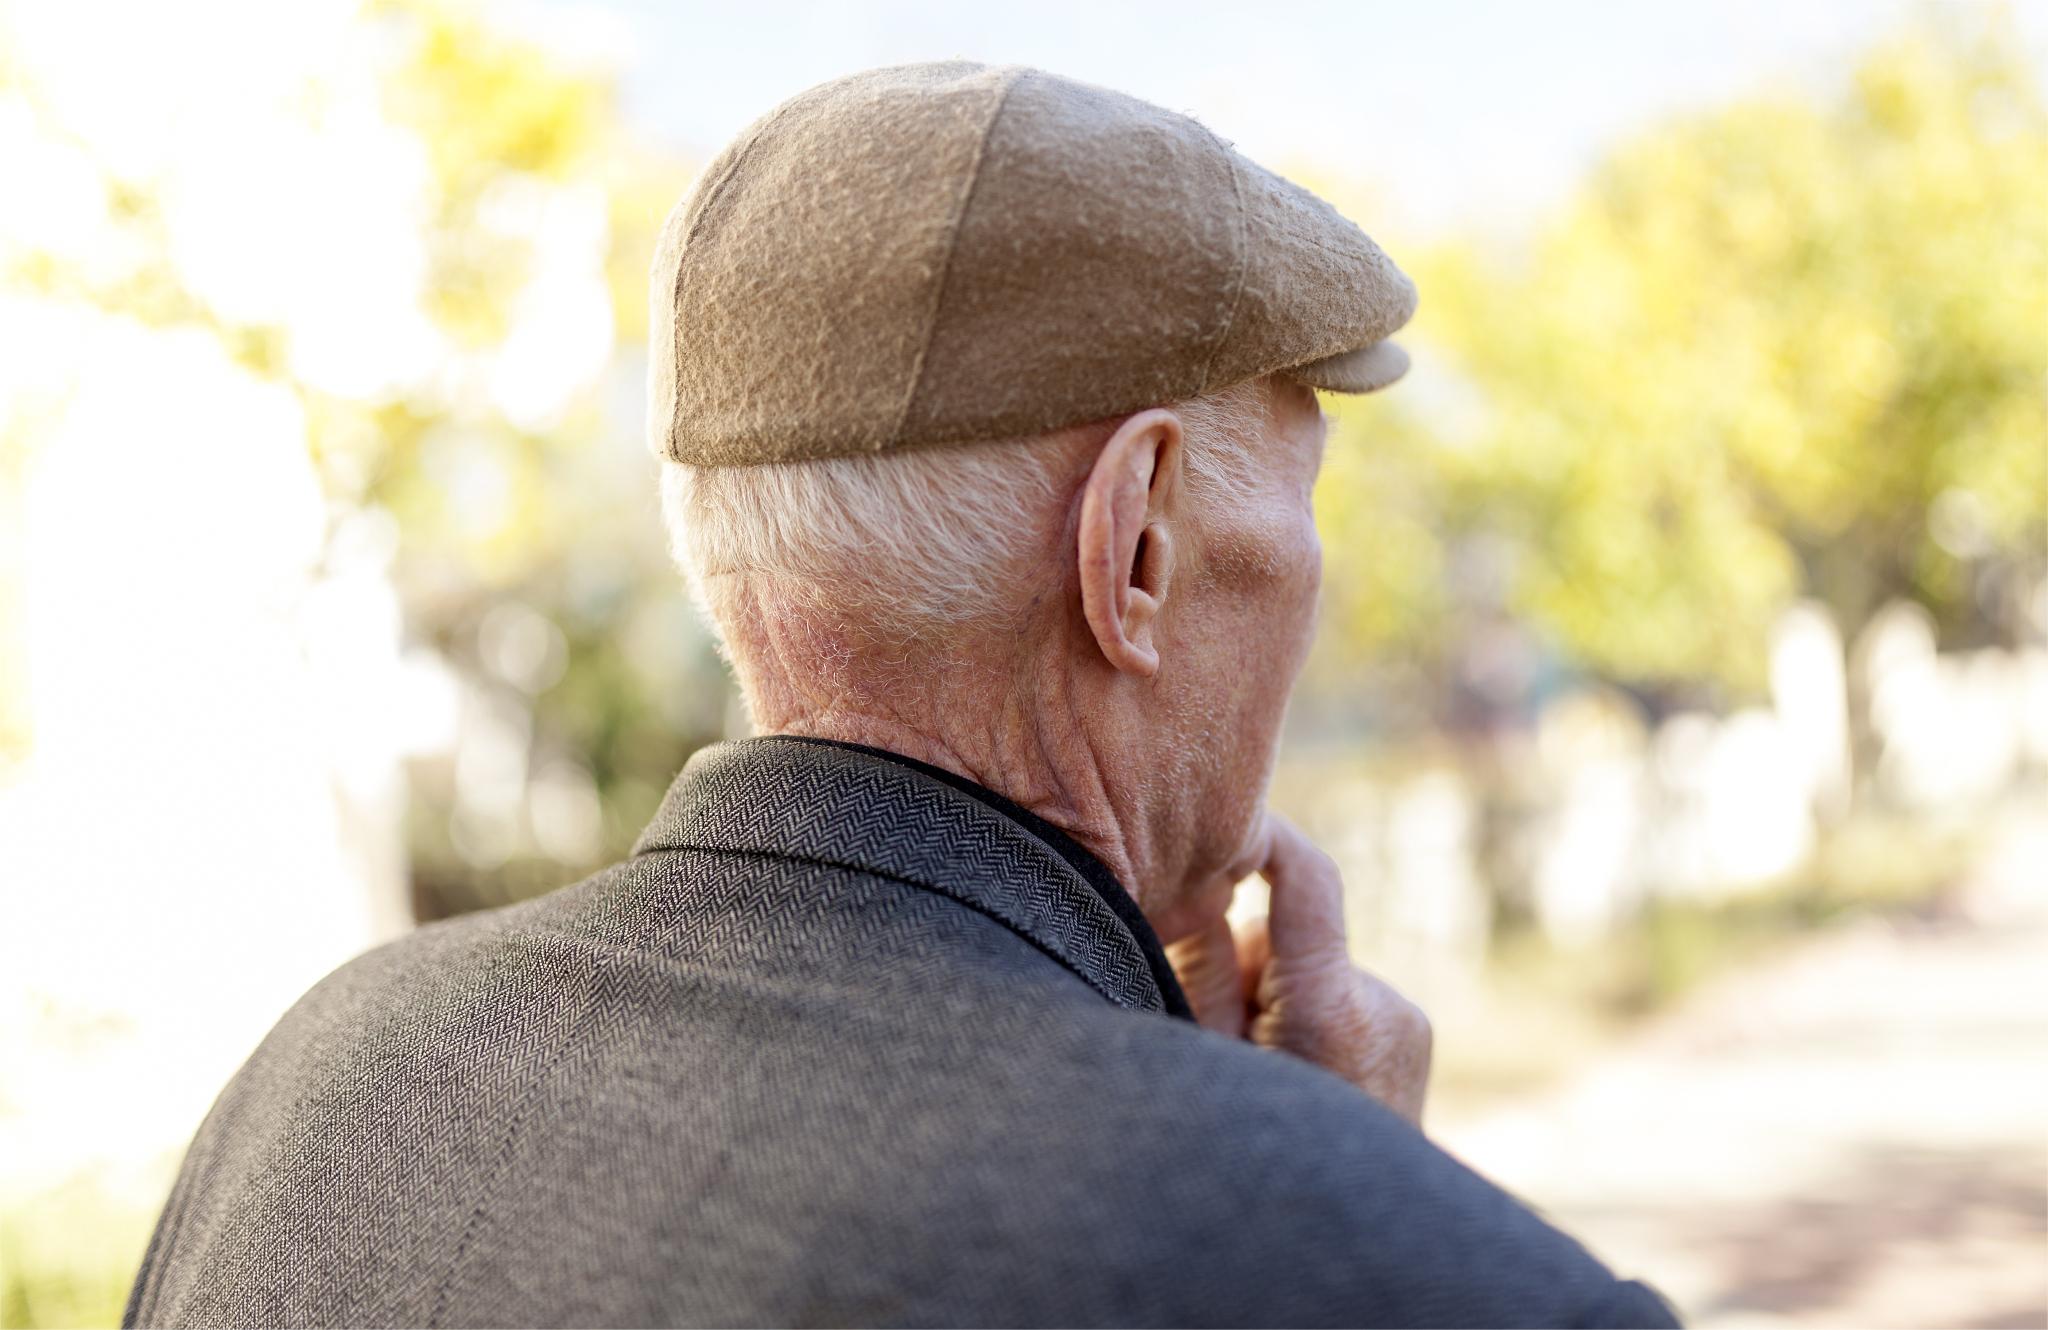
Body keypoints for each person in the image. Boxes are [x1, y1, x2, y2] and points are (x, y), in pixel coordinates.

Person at [125, 61, 1681, 1327]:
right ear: (1133, 544)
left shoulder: (313, 1093)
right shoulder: (1419, 1276)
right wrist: (1342, 1200)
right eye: (1295, 513)